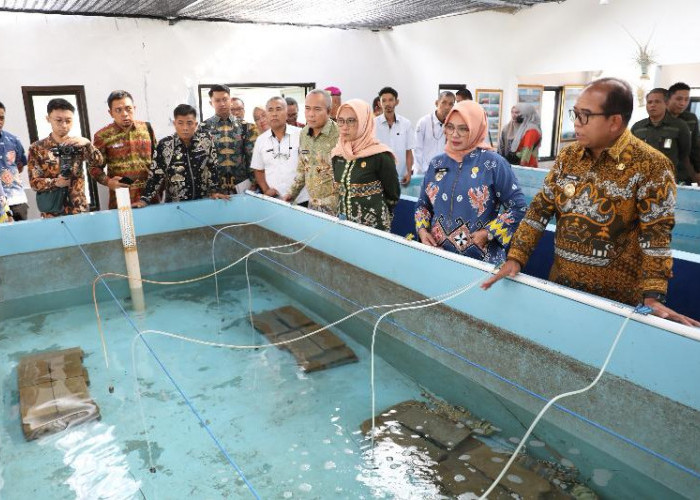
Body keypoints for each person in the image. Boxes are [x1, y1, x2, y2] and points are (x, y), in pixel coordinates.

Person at [483, 78, 698, 327]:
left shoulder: (651, 165)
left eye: (585, 116)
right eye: (576, 114)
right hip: (562, 290)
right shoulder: (568, 157)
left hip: (616, 304)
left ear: (614, 121)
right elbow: (538, 212)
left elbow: (656, 236)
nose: (576, 123)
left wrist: (652, 296)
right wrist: (516, 258)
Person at [415, 101, 526, 264]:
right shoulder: (437, 164)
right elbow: (423, 205)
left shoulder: (493, 164)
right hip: (438, 257)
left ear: (476, 128)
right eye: (450, 127)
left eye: (463, 128)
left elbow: (519, 207)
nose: (454, 134)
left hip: (479, 261)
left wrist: (488, 233)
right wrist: (422, 231)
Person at [134, 104, 228, 207]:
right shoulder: (165, 145)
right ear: (174, 123)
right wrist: (144, 199)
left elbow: (213, 167)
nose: (185, 128)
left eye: (189, 123)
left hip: (203, 202)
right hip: (176, 205)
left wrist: (215, 191)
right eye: (180, 123)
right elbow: (156, 175)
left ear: (196, 124)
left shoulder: (206, 140)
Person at [331, 99, 400, 231]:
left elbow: (393, 195)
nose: (345, 127)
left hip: (374, 228)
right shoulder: (338, 154)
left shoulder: (380, 155)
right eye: (340, 120)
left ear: (364, 122)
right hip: (344, 226)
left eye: (351, 120)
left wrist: (377, 213)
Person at [28, 98, 103, 218]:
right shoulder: (37, 148)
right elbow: (34, 183)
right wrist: (56, 183)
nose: (64, 125)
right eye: (58, 120)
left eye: (68, 121)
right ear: (48, 119)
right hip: (52, 211)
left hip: (78, 208)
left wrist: (88, 144)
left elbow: (98, 162)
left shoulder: (79, 144)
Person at [91, 90, 157, 209]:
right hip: (122, 198)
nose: (125, 114)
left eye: (128, 108)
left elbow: (158, 161)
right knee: (126, 228)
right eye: (118, 110)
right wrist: (108, 182)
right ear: (110, 113)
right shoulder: (102, 136)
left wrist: (159, 188)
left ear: (134, 108)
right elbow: (94, 167)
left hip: (149, 197)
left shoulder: (147, 129)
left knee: (155, 227)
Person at [283, 89, 339, 214]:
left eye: (317, 109)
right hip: (313, 206)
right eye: (307, 108)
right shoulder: (304, 133)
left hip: (337, 209)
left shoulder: (339, 134)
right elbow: (303, 168)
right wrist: (291, 194)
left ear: (329, 111)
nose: (311, 114)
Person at [631, 88, 696, 184]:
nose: (652, 105)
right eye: (649, 102)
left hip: (667, 182)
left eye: (657, 102)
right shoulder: (637, 127)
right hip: (641, 181)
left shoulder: (679, 126)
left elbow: (684, 154)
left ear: (666, 104)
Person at [251, 97, 308, 204]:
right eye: (270, 110)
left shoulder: (301, 135)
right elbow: (258, 170)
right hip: (275, 201)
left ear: (286, 113)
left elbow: (309, 167)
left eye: (278, 109)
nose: (274, 114)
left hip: (301, 199)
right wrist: (266, 190)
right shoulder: (261, 140)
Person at [201, 84, 255, 194]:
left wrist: (253, 184)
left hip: (242, 185)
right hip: (215, 188)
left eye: (225, 99)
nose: (222, 104)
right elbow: (202, 160)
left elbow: (251, 157)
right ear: (211, 103)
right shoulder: (204, 127)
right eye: (217, 100)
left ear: (230, 100)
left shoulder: (244, 126)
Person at [374, 86, 415, 186]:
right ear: (379, 104)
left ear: (396, 102)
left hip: (401, 178)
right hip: (379, 179)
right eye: (384, 100)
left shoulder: (406, 124)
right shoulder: (373, 125)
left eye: (391, 100)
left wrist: (409, 172)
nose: (387, 103)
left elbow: (409, 151)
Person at [0, 101, 29, 220]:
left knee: (22, 236)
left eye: (1, 118)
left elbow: (20, 165)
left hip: (16, 199)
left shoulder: (13, 140)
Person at [414, 91, 455, 174]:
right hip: (424, 171)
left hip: (443, 171)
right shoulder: (423, 122)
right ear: (437, 103)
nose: (447, 107)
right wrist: (422, 170)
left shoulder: (452, 125)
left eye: (451, 104)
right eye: (444, 103)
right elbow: (417, 149)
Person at [667, 82, 700, 178]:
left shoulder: (691, 119)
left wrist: (698, 171)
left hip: (684, 172)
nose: (683, 103)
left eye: (686, 99)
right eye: (679, 99)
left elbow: (695, 147)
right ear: (668, 99)